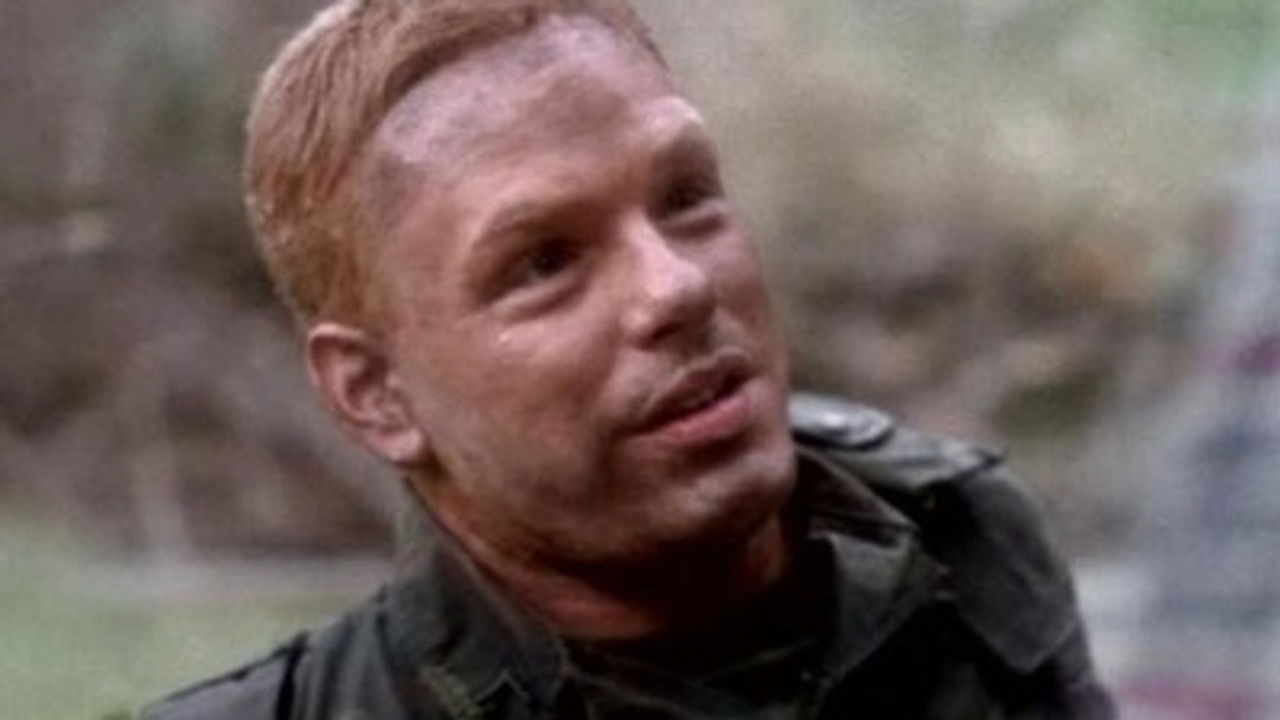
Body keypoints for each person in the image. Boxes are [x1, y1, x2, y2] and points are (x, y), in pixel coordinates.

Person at [141, 0, 1116, 717]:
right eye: (544, 262)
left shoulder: (958, 534)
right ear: (376, 393)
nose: (676, 288)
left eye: (684, 196)